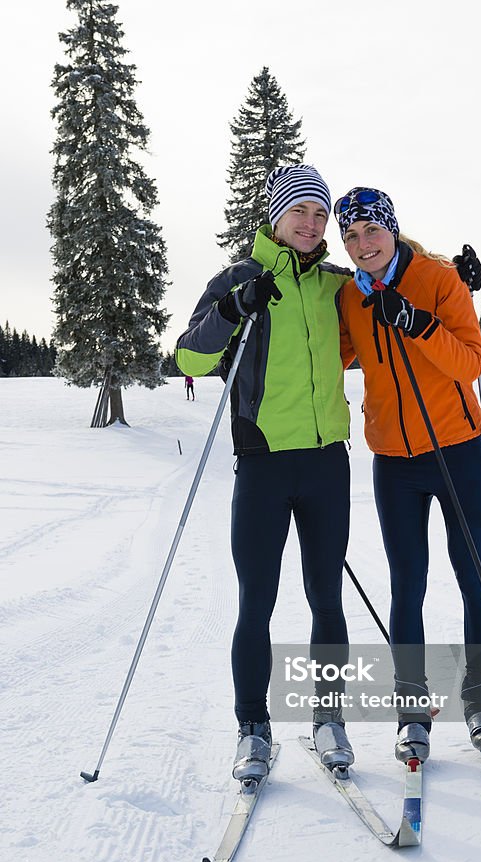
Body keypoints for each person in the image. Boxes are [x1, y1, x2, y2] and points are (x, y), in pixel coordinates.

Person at [175, 165, 355, 784]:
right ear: (275, 216)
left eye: (319, 214)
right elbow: (188, 356)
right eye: (299, 211)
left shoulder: (337, 283)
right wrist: (232, 308)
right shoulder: (239, 277)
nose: (310, 224)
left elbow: (391, 278)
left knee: (326, 597)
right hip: (262, 463)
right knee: (258, 600)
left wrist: (448, 281)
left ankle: (328, 717)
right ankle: (253, 725)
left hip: (328, 462)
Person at [334, 186, 481, 765]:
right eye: (351, 236)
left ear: (391, 227)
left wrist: (415, 321)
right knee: (408, 585)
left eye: (371, 231)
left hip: (457, 450)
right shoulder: (350, 300)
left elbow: (470, 362)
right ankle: (412, 711)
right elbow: (324, 356)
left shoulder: (437, 279)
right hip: (394, 461)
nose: (362, 245)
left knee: (474, 577)